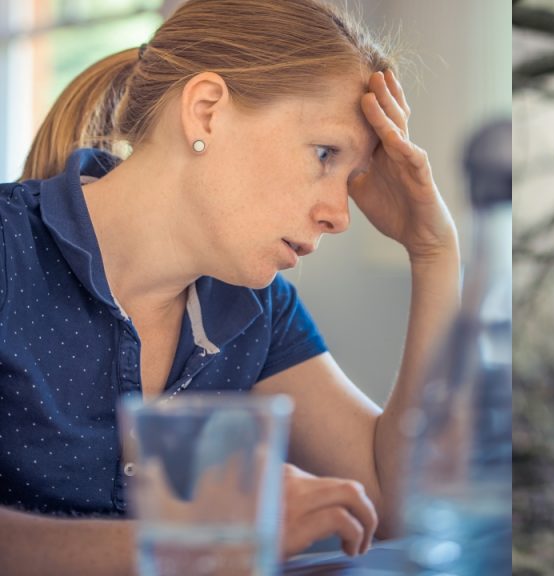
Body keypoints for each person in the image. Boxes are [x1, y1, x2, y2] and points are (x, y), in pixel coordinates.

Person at [0, 0, 460, 573]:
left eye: (353, 178)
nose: (340, 216)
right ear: (207, 111)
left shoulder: (253, 308)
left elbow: (400, 504)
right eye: (325, 154)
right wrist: (201, 542)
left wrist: (434, 254)